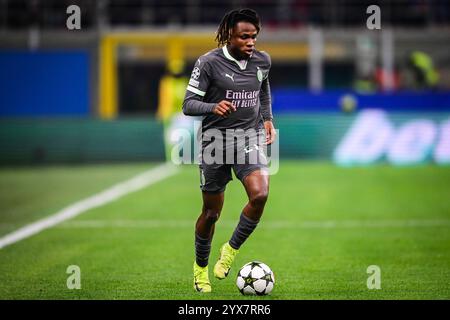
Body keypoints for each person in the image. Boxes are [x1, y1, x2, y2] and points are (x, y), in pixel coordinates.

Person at [182, 8, 276, 293]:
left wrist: (268, 118)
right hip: (215, 142)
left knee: (260, 194)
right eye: (244, 37)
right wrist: (213, 106)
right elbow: (187, 104)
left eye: (254, 37)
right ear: (229, 37)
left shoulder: (262, 61)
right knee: (211, 214)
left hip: (248, 138)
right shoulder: (208, 63)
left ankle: (231, 249)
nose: (250, 42)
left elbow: (262, 87)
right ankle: (200, 269)